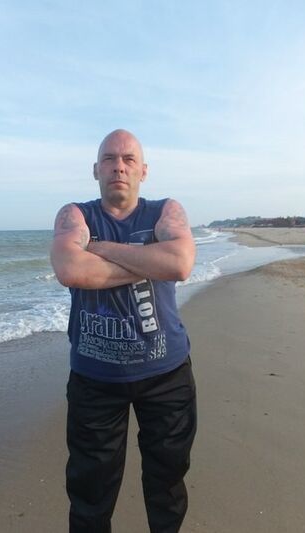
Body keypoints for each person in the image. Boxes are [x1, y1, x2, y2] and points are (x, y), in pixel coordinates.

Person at [51, 129, 197, 533]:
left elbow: (179, 264)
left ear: (143, 171)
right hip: (95, 380)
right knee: (90, 494)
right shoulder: (75, 216)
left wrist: (100, 250)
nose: (119, 166)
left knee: (167, 485)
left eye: (129, 159)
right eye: (110, 159)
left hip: (166, 377)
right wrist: (149, 259)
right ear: (95, 170)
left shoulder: (166, 211)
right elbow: (70, 269)